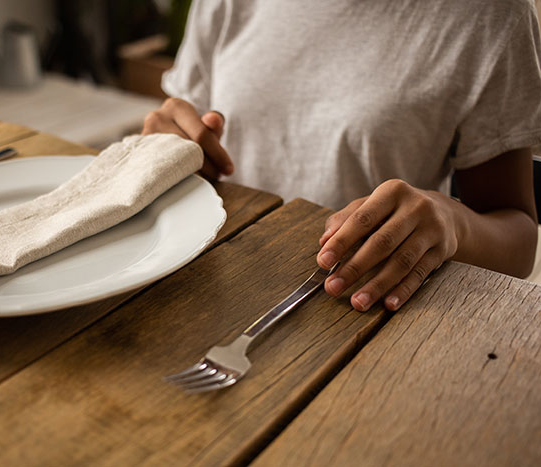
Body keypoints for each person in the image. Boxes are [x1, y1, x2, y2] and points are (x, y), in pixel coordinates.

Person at [142, 0, 541, 312]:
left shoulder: (493, 14)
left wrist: (453, 222)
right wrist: (168, 145)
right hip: (207, 277)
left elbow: (520, 240)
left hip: (354, 304)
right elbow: (185, 127)